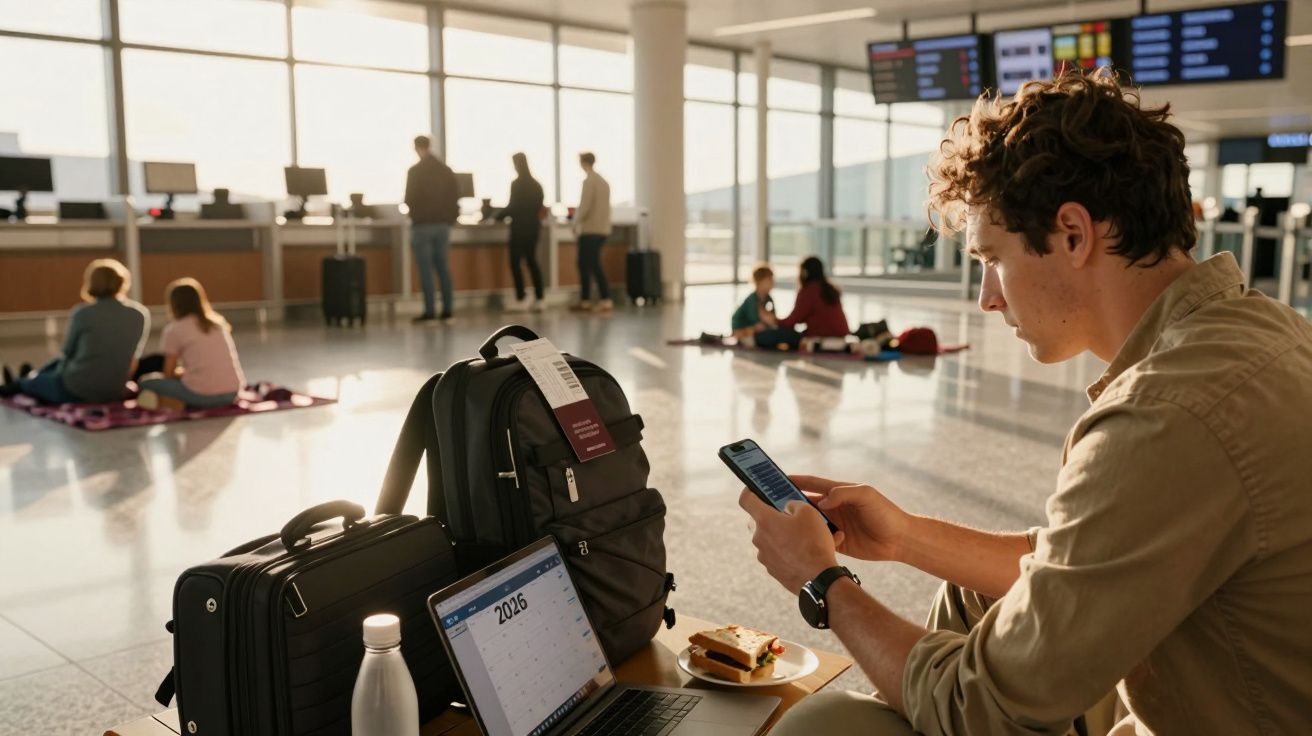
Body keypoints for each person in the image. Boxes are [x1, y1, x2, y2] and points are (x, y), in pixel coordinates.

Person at [742, 71, 1312, 735]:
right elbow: (1086, 563)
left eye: (993, 259)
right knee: (974, 592)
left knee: (826, 727)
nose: (988, 297)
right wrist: (904, 537)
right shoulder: (1261, 332)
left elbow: (982, 707)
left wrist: (822, 583)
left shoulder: (1171, 414)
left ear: (1073, 233)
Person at [1, 259, 148, 404]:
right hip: (113, 390)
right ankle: (28, 377)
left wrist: (53, 377)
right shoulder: (139, 315)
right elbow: (133, 360)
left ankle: (22, 382)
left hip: (76, 390)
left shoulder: (83, 313)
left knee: (40, 379)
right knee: (53, 368)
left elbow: (67, 353)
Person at [137, 278, 244, 410]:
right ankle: (173, 402)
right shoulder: (217, 324)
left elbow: (168, 373)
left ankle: (174, 403)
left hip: (202, 395)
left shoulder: (174, 329)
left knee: (145, 383)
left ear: (173, 304)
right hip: (232, 392)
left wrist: (180, 375)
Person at [404, 134, 459, 323]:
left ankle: (430, 311)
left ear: (416, 147)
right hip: (442, 225)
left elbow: (408, 199)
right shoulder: (445, 170)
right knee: (443, 268)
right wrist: (449, 219)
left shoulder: (415, 171)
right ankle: (448, 310)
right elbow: (455, 197)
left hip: (422, 225)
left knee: (425, 269)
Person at [496, 153, 546, 313]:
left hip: (519, 229)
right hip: (533, 228)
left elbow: (513, 207)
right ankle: (540, 298)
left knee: (515, 262)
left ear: (517, 164)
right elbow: (540, 207)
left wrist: (496, 216)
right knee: (532, 262)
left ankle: (521, 297)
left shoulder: (517, 184)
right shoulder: (537, 185)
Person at [570, 152, 614, 313]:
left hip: (590, 230)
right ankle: (597, 299)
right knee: (593, 264)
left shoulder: (589, 182)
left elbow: (585, 206)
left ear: (583, 162)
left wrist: (575, 222)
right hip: (602, 230)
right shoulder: (604, 182)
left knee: (586, 264)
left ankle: (590, 299)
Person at [773, 256, 849, 344]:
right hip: (841, 334)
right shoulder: (828, 289)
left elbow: (793, 321)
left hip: (821, 336)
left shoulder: (809, 291)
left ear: (805, 273)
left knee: (776, 335)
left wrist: (774, 321)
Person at [730, 264, 781, 346]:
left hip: (756, 328)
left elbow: (773, 319)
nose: (772, 283)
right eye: (769, 280)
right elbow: (756, 321)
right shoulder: (752, 299)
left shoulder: (768, 298)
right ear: (759, 282)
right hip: (742, 328)